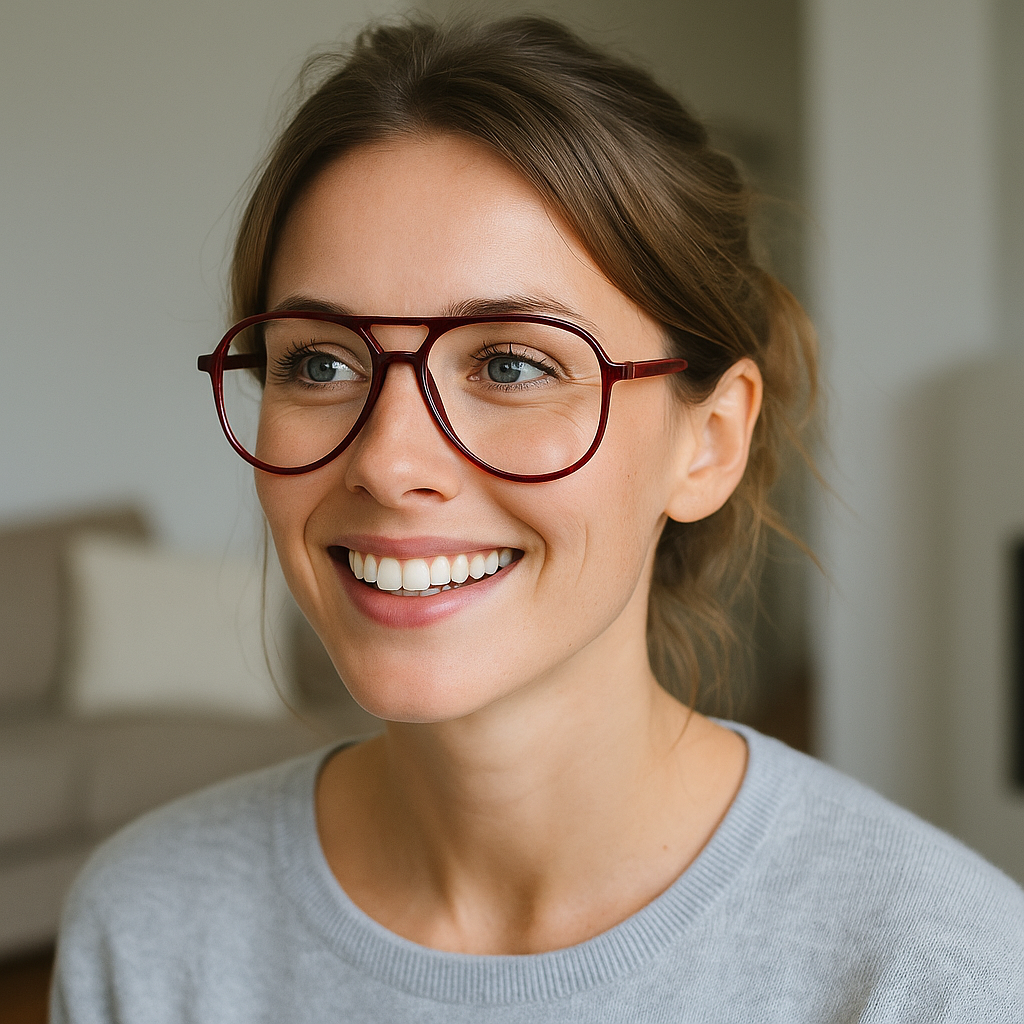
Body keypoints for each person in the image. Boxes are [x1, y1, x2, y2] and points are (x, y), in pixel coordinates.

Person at [51, 16, 1024, 1022]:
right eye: (319, 362)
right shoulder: (147, 930)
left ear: (710, 441)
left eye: (511, 363)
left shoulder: (939, 976)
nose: (387, 461)